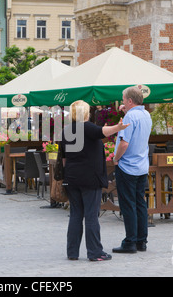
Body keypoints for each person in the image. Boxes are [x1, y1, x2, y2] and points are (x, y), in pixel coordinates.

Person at [61, 100, 129, 262]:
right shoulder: (87, 127)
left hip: (72, 177)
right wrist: (118, 128)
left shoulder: (66, 131)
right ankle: (95, 252)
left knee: (76, 215)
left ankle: (72, 252)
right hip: (90, 178)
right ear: (86, 113)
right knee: (91, 215)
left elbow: (64, 158)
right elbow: (103, 131)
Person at [112, 86, 152, 254]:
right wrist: (125, 111)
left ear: (129, 101)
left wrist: (115, 158)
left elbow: (124, 143)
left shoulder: (130, 116)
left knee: (128, 205)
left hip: (127, 166)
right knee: (140, 203)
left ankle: (130, 242)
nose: (122, 102)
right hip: (142, 165)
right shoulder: (146, 114)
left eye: (123, 99)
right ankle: (141, 241)